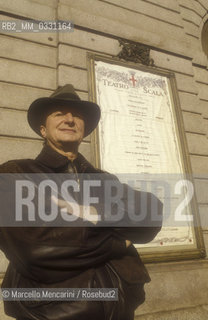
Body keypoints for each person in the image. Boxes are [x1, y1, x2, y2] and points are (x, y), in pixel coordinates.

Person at [0, 84, 162, 320]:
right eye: (59, 113)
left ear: (84, 129)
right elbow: (37, 247)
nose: (69, 119)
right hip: (51, 312)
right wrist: (120, 242)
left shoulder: (104, 179)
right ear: (43, 130)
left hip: (121, 308)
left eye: (76, 115)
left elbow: (152, 213)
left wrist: (94, 212)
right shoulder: (16, 173)